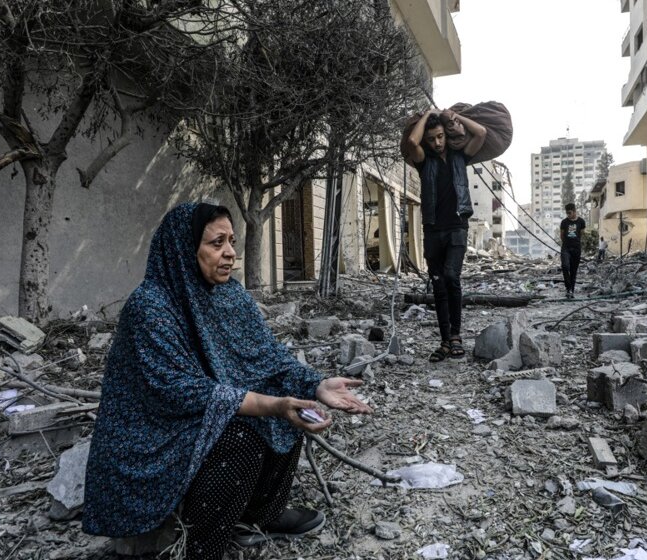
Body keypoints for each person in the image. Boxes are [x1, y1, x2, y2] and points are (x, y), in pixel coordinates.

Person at [82, 202, 372, 560]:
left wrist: (315, 385)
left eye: (232, 241)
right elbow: (178, 391)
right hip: (154, 431)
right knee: (242, 434)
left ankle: (259, 516)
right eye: (216, 243)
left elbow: (269, 357)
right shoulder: (151, 306)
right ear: (184, 248)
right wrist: (270, 405)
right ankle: (202, 547)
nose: (231, 253)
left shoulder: (230, 296)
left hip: (207, 408)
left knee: (288, 404)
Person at [403, 108, 487, 362]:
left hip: (457, 227)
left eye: (440, 136)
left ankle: (456, 336)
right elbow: (411, 142)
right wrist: (428, 114)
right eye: (432, 139)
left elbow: (480, 132)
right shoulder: (423, 160)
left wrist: (452, 117)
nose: (437, 143)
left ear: (446, 135)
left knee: (452, 276)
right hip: (432, 230)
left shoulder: (461, 156)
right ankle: (445, 341)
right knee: (438, 284)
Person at [559, 203, 586, 299]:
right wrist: (567, 243)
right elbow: (561, 235)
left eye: (570, 213)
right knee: (565, 266)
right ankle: (568, 288)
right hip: (566, 248)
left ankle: (571, 291)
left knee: (573, 271)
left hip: (576, 249)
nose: (568, 215)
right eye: (567, 213)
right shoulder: (564, 222)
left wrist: (575, 243)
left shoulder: (581, 222)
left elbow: (581, 234)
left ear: (574, 211)